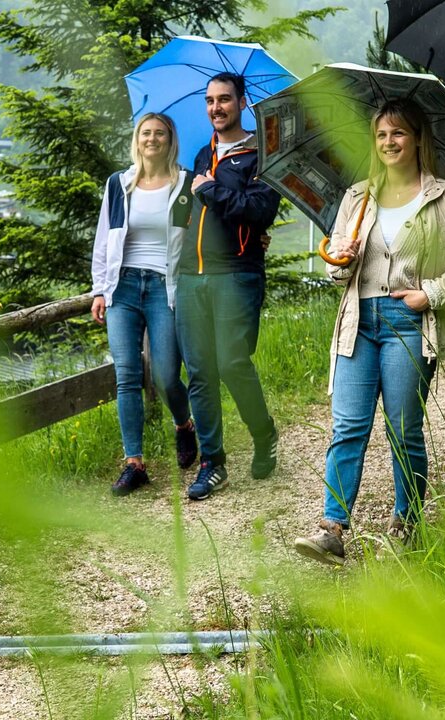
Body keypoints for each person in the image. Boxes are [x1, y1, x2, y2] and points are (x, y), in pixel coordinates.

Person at [292, 99, 445, 565]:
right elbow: (337, 275)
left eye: (398, 134)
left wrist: (431, 293)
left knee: (403, 429)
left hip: (410, 321)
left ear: (417, 138)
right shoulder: (358, 197)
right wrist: (342, 258)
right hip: (359, 320)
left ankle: (408, 521)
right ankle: (332, 529)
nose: (389, 143)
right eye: (381, 136)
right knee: (349, 426)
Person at [175, 71, 282, 501]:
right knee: (199, 372)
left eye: (224, 100)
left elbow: (260, 212)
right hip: (191, 277)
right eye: (209, 101)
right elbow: (189, 215)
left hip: (236, 275)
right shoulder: (203, 155)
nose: (215, 108)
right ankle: (212, 463)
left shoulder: (262, 156)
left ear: (241, 102)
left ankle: (264, 433)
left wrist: (212, 189)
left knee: (233, 362)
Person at [90, 112, 200, 495]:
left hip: (164, 288)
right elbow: (104, 239)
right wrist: (100, 290)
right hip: (123, 288)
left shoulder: (185, 184)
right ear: (137, 140)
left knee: (167, 375)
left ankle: (184, 424)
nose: (152, 139)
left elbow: (201, 234)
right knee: (127, 374)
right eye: (145, 133)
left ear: (170, 141)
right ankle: (134, 462)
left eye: (159, 134)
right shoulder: (119, 184)